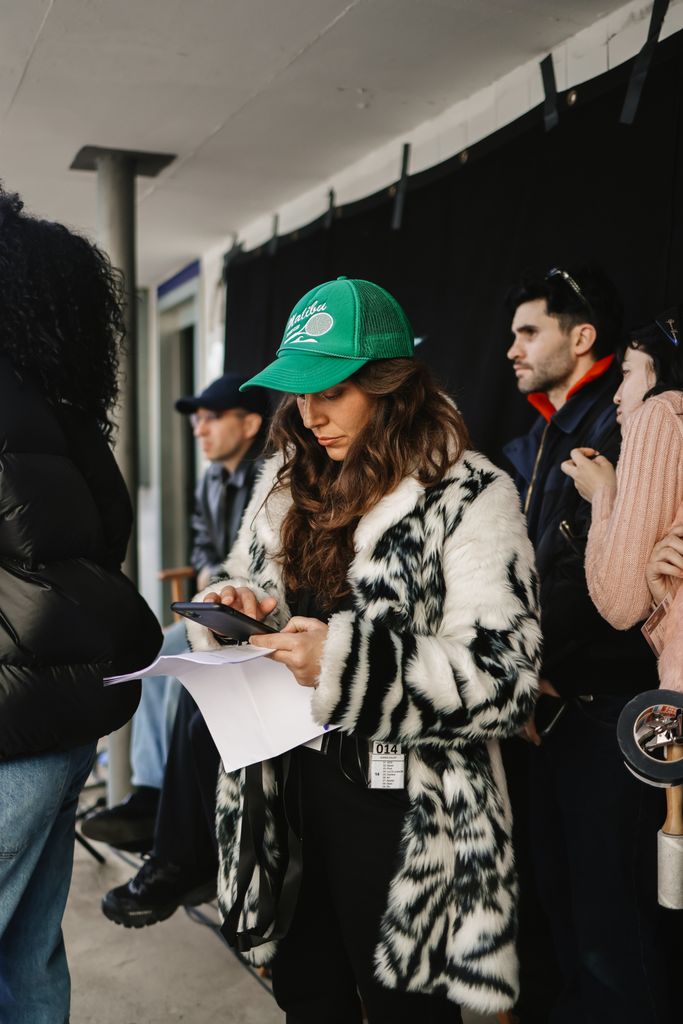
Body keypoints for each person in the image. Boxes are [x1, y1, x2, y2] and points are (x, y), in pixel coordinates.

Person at [186, 277, 542, 1022]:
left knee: (405, 1010)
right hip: (289, 786)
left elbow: (503, 679)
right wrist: (236, 605)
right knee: (306, 993)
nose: (310, 415)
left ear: (391, 387)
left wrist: (348, 665)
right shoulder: (286, 484)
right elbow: (252, 581)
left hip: (405, 810)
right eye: (299, 394)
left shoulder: (469, 494)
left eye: (333, 392)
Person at [0, 187, 162, 1023]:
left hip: (6, 729)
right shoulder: (70, 420)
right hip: (67, 728)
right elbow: (106, 545)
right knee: (30, 957)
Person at [504, 266, 670, 1024]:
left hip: (611, 706)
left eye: (527, 331)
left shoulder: (632, 422)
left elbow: (608, 587)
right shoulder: (544, 431)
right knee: (562, 904)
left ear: (582, 338)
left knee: (613, 930)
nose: (511, 350)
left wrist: (522, 667)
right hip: (552, 703)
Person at [81, 375, 268, 853]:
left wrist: (221, 587)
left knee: (171, 655)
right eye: (196, 420)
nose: (198, 429)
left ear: (250, 424)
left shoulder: (273, 481)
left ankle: (158, 803)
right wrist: (210, 577)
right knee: (154, 652)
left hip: (260, 619)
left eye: (211, 418)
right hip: (218, 612)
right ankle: (150, 793)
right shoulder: (210, 480)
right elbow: (204, 545)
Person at [561, 308, 683, 691]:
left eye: (627, 373)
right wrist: (665, 598)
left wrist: (603, 494)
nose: (616, 395)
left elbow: (620, 604)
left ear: (661, 370)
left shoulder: (659, 411)